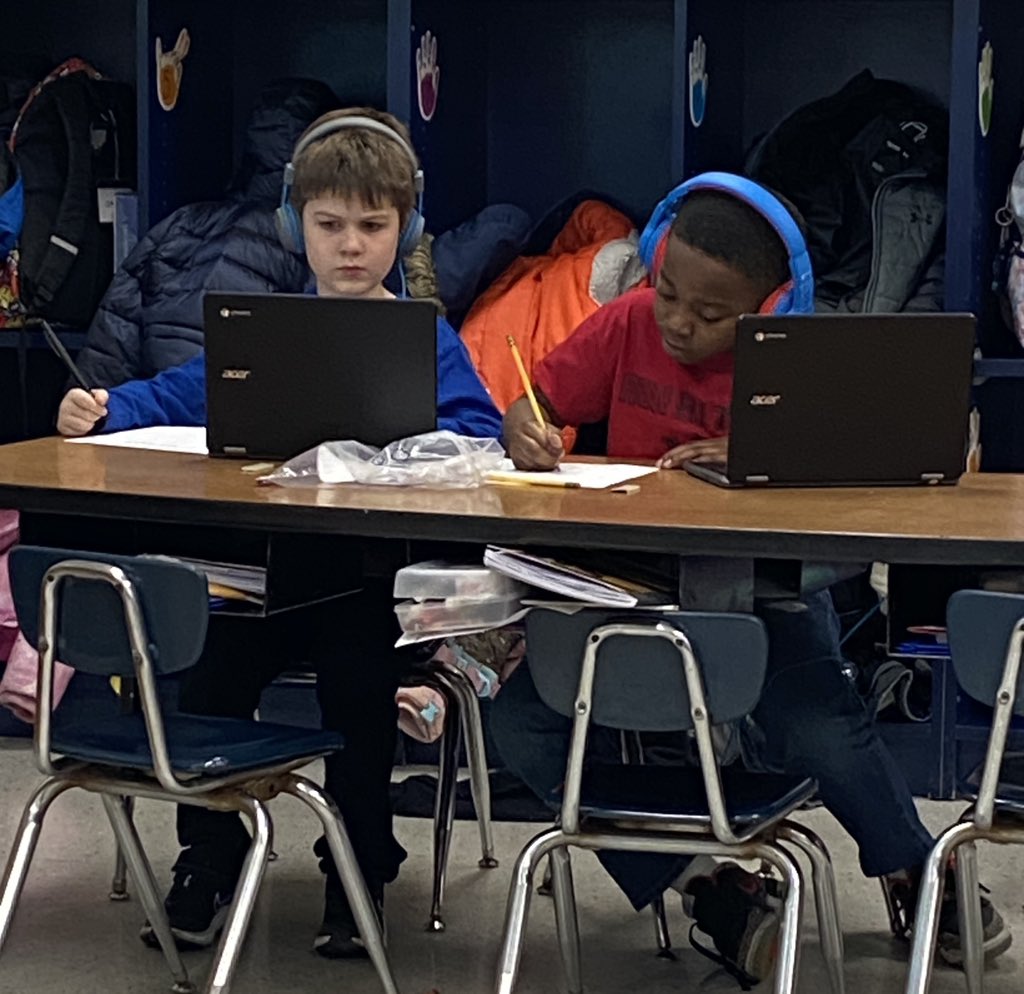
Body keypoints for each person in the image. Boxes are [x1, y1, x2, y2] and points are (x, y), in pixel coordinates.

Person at [494, 173, 1011, 984]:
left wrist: (760, 462)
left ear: (772, 307)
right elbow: (536, 405)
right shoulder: (628, 322)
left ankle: (916, 872)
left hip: (758, 599)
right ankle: (710, 888)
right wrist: (523, 423)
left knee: (822, 730)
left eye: (710, 314)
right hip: (632, 592)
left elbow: (882, 476)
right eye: (668, 293)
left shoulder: (799, 361)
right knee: (519, 727)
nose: (677, 322)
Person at [56, 107, 502, 959]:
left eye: (372, 226)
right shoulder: (264, 330)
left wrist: (403, 458)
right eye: (329, 225)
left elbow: (475, 437)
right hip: (262, 582)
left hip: (371, 590)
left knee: (359, 689)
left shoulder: (424, 336)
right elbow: (186, 393)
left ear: (404, 228)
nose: (349, 245)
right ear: (295, 227)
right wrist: (108, 406)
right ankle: (207, 861)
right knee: (213, 672)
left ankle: (360, 869)